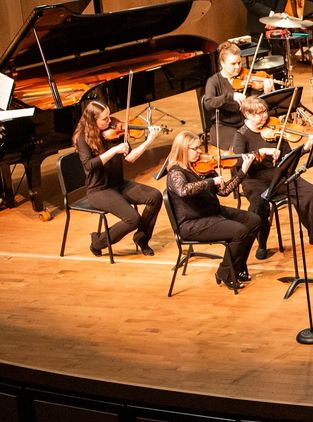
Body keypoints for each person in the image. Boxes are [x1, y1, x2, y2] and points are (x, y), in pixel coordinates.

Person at [232, 96, 313, 260]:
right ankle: (262, 244)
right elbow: (237, 159)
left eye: (265, 111)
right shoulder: (241, 135)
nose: (264, 116)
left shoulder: (274, 128)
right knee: (259, 205)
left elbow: (288, 155)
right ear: (247, 115)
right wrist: (263, 151)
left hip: (279, 174)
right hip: (255, 179)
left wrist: (305, 148)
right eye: (258, 113)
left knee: (311, 192)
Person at [164, 132, 259, 290]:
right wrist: (210, 181)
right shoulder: (176, 172)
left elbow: (224, 191)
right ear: (183, 149)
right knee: (239, 232)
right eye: (196, 149)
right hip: (192, 223)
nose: (200, 152)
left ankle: (237, 268)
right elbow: (183, 190)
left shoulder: (203, 166)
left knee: (253, 221)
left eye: (200, 148)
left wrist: (242, 171)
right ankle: (226, 272)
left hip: (212, 213)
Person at [72, 101, 163, 257]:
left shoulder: (115, 132)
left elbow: (131, 158)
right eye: (105, 119)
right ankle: (98, 242)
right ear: (93, 120)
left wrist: (149, 141)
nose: (110, 121)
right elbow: (89, 165)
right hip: (99, 190)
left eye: (109, 117)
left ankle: (142, 238)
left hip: (119, 184)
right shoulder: (83, 138)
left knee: (155, 196)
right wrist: (114, 150)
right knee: (133, 219)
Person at [202, 41, 274, 149]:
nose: (238, 67)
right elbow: (208, 103)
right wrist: (230, 96)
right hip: (224, 126)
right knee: (241, 144)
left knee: (268, 139)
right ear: (222, 63)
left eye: (239, 62)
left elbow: (257, 102)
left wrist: (267, 92)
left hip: (246, 123)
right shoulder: (214, 81)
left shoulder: (246, 77)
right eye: (233, 64)